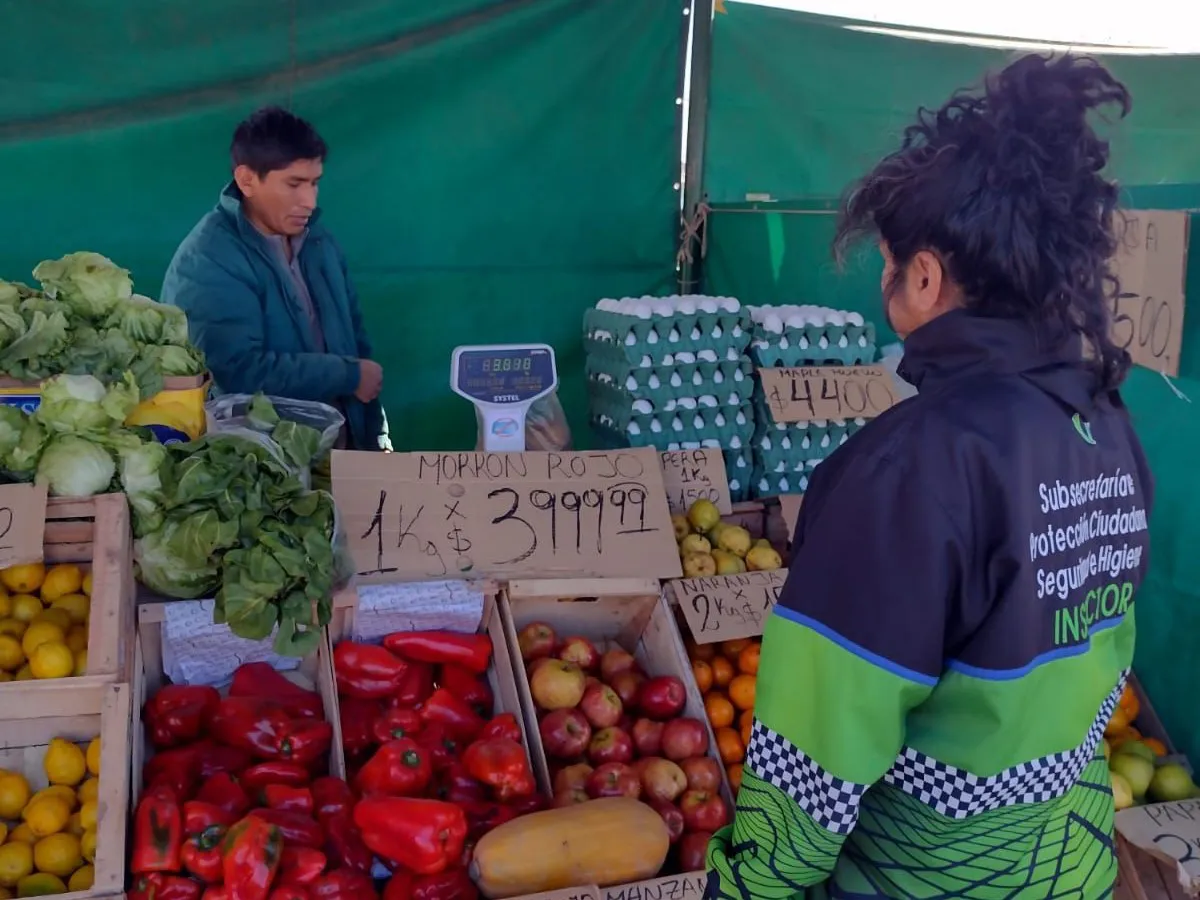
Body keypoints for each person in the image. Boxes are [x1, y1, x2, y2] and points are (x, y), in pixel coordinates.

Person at [705, 54, 1152, 899]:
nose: (885, 282)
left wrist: (741, 890)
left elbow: (812, 765)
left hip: (928, 879)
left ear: (924, 275)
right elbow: (1105, 660)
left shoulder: (905, 468)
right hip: (1072, 864)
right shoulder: (1107, 422)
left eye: (887, 262)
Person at [161, 106, 389, 451]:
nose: (309, 201)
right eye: (294, 184)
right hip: (260, 466)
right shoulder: (209, 257)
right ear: (247, 180)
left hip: (341, 455)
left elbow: (355, 344)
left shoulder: (318, 243)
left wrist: (371, 442)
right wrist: (348, 375)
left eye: (314, 183)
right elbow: (236, 371)